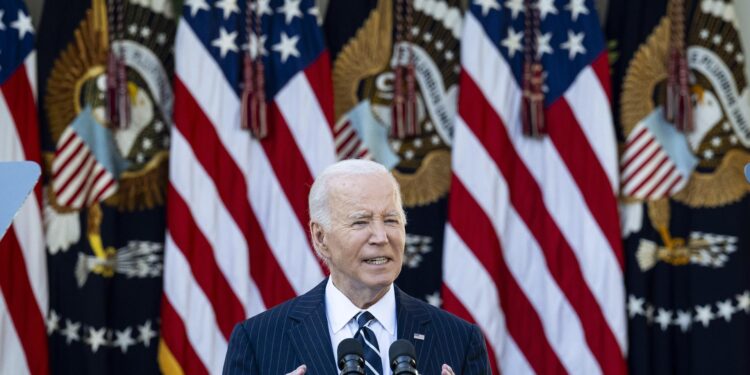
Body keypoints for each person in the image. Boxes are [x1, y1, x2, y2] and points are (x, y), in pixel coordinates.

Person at [223, 160, 491, 375]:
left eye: (390, 220)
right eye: (361, 222)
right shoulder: (257, 342)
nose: (381, 237)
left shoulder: (460, 340)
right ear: (320, 237)